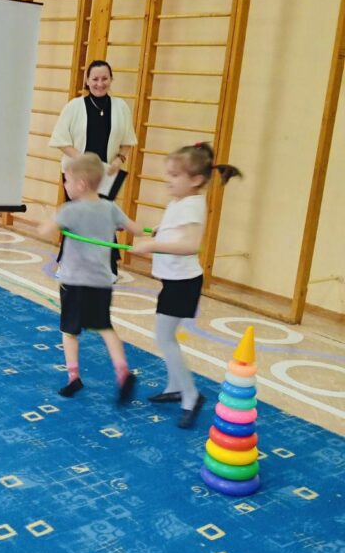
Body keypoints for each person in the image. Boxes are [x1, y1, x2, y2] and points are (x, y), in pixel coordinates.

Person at [132, 142, 242, 429]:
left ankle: (191, 396)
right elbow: (176, 230)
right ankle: (174, 387)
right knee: (165, 336)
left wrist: (152, 245)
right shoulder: (180, 201)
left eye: (174, 175)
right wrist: (161, 231)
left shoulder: (193, 204)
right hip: (174, 281)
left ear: (195, 180)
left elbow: (191, 245)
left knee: (164, 338)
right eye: (168, 173)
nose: (167, 179)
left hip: (183, 284)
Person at [37, 153, 146, 401]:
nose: (65, 185)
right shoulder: (110, 207)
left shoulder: (70, 210)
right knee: (105, 327)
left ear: (81, 184)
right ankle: (123, 372)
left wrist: (49, 220)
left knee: (69, 331)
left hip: (74, 281)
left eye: (67, 180)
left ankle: (73, 377)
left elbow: (45, 231)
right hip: (101, 281)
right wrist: (157, 231)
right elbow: (137, 230)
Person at [49, 59, 137, 275]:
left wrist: (119, 160)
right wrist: (83, 161)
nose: (100, 83)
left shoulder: (121, 107)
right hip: (77, 175)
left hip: (106, 175)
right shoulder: (74, 106)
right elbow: (60, 140)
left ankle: (108, 268)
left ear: (111, 80)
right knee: (78, 219)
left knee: (103, 220)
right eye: (95, 79)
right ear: (87, 81)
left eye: (104, 78)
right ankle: (67, 265)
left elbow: (128, 141)